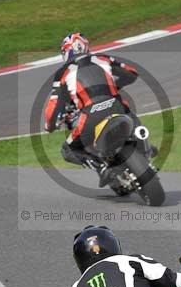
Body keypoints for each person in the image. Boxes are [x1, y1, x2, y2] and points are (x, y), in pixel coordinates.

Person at [44, 33, 141, 186]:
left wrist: (49, 125)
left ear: (65, 52)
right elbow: (132, 73)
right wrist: (114, 86)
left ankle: (101, 167)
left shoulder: (63, 73)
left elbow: (53, 105)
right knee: (127, 110)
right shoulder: (103, 59)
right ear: (86, 46)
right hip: (116, 107)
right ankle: (142, 139)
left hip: (90, 116)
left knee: (68, 149)